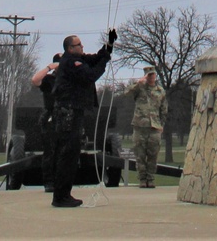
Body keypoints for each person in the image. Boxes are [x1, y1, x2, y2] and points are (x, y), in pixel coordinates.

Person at [49, 29, 117, 208]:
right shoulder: (71, 63)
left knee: (71, 154)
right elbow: (91, 75)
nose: (82, 46)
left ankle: (64, 194)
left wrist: (108, 46)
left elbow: (94, 58)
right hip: (68, 112)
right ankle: (60, 196)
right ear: (71, 48)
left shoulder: (78, 59)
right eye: (79, 44)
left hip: (74, 112)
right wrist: (103, 62)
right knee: (68, 154)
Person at [128, 66, 167, 189]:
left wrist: (162, 125)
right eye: (148, 75)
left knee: (153, 155)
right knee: (140, 155)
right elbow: (127, 92)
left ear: (155, 75)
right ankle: (142, 179)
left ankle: (150, 179)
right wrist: (139, 82)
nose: (151, 77)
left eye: (153, 74)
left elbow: (163, 110)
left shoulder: (160, 91)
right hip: (140, 127)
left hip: (154, 127)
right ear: (145, 76)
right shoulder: (139, 89)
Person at [31, 53, 63, 194]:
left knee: (63, 152)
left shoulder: (70, 79)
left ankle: (61, 181)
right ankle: (49, 182)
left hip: (66, 116)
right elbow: (35, 80)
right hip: (51, 117)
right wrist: (50, 67)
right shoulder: (49, 79)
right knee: (50, 152)